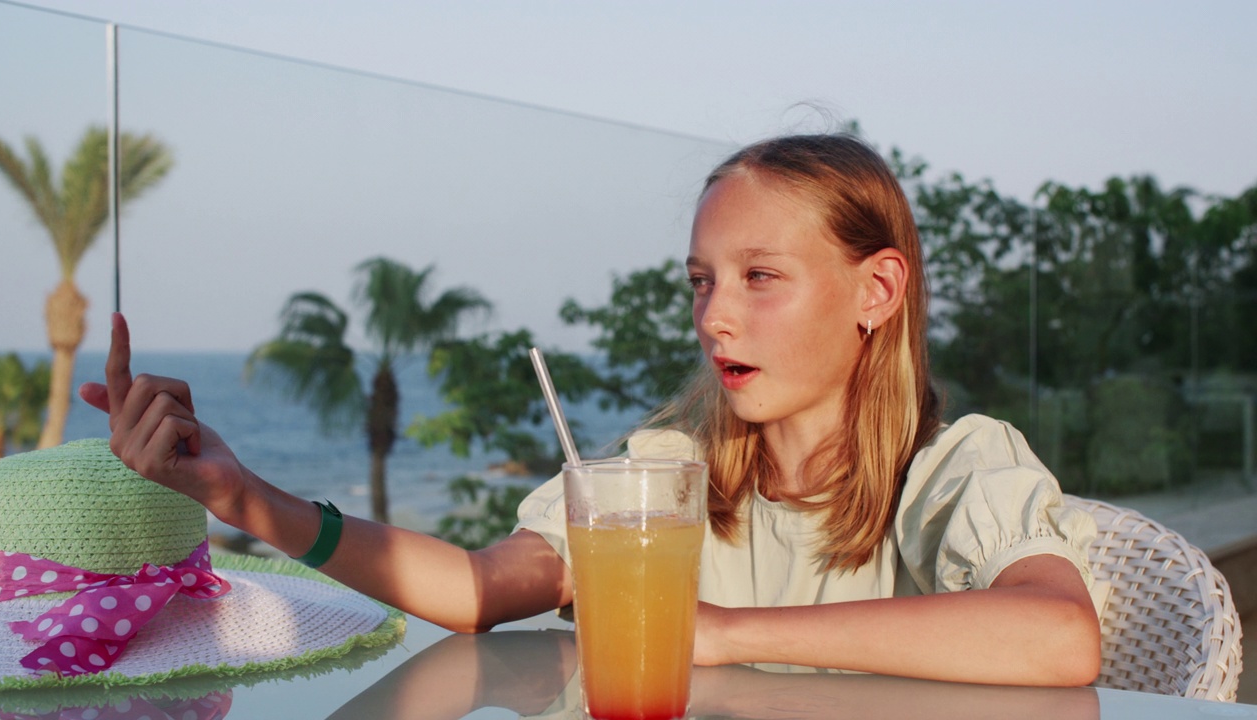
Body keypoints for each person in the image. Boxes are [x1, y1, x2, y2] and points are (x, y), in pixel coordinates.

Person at [80, 133, 1101, 687]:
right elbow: (481, 588)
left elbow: (1057, 639)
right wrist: (241, 493)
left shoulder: (953, 464)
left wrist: (716, 633)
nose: (715, 318)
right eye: (700, 281)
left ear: (874, 293)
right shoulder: (661, 472)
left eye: (758, 278)